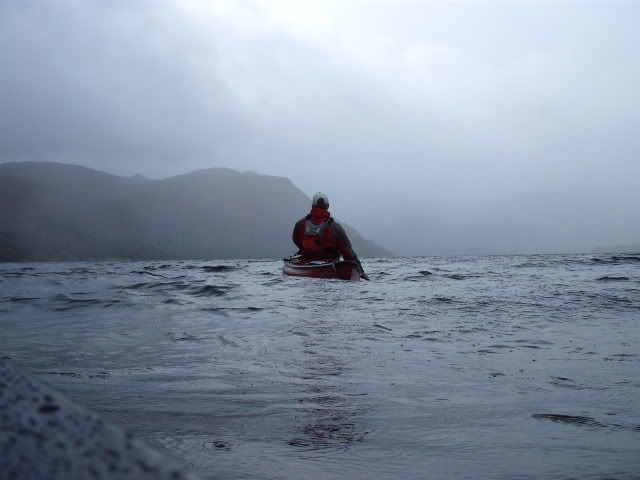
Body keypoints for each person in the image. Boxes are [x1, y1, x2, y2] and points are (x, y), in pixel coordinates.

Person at [292, 192, 369, 280]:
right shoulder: (335, 227)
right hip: (330, 266)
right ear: (327, 206)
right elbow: (348, 252)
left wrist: (307, 249)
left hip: (304, 265)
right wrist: (361, 272)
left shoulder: (300, 224)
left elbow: (296, 240)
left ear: (312, 206)